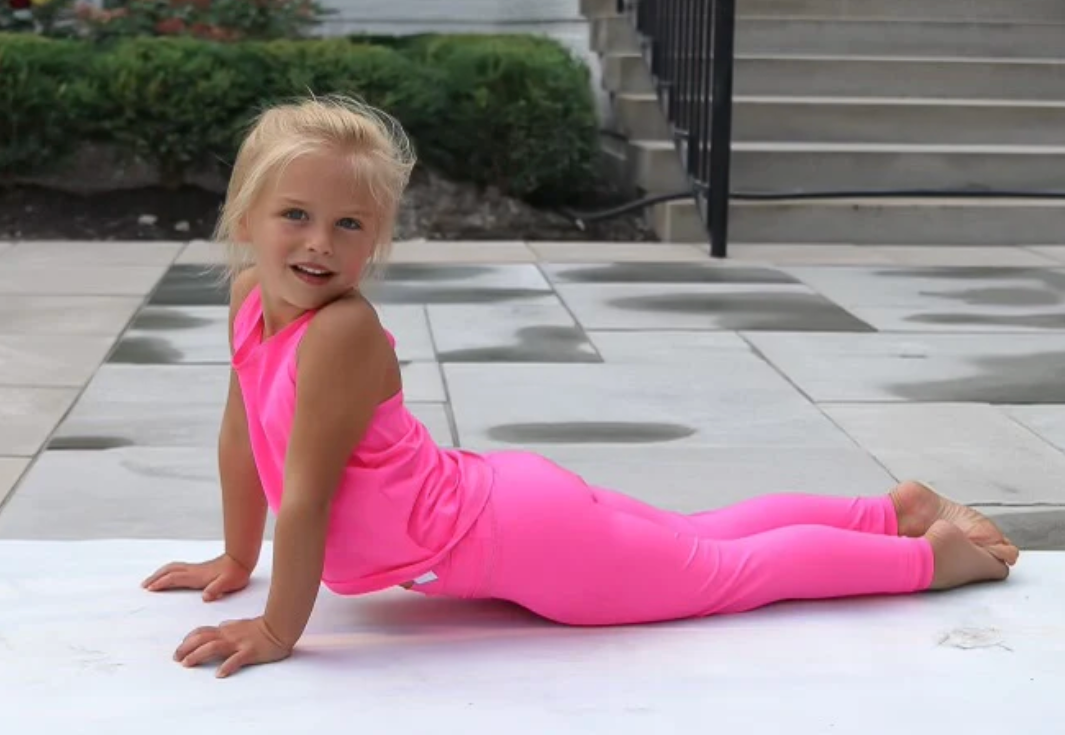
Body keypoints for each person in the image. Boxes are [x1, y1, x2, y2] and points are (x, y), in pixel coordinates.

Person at [140, 94, 1020, 679]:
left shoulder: (338, 331)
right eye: (295, 215)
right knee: (702, 533)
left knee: (730, 571)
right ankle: (892, 510)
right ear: (245, 216)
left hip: (520, 538)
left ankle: (931, 559)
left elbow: (306, 496)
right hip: (509, 506)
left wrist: (278, 629)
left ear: (377, 239)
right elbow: (241, 436)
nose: (319, 244)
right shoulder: (250, 300)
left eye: (349, 224)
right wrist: (237, 558)